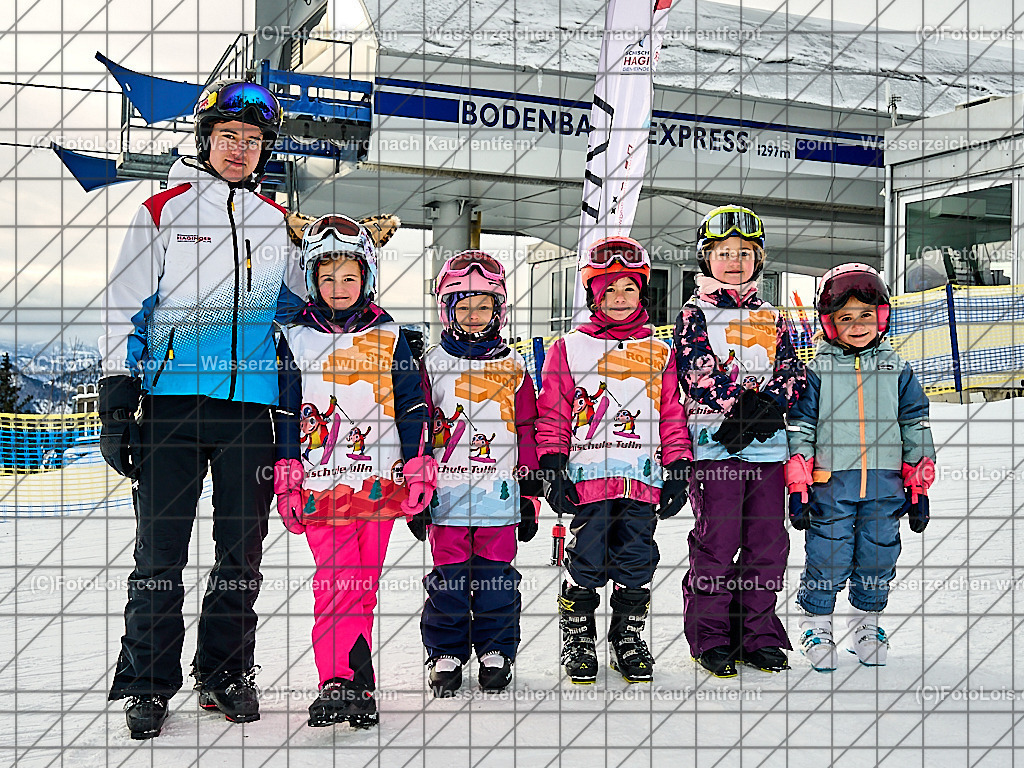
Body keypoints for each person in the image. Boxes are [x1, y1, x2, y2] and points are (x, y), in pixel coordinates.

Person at [98, 79, 305, 739]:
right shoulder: (163, 210)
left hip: (251, 413)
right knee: (160, 554)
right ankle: (148, 685)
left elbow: (310, 308)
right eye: (228, 138)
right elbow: (121, 306)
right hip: (170, 410)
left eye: (252, 140)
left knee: (240, 555)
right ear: (205, 141)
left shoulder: (278, 224)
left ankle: (225, 674)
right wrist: (115, 395)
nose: (240, 149)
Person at [273, 214, 436, 728]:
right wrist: (286, 470)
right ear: (311, 280)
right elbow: (284, 408)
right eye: (326, 279)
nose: (338, 289)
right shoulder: (294, 338)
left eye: (349, 277)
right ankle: (334, 681)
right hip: (322, 484)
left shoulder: (393, 337)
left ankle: (359, 684)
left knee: (362, 583)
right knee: (335, 580)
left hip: (379, 482)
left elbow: (413, 406)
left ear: (367, 276)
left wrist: (417, 464)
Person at [535, 236, 692, 685]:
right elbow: (554, 410)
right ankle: (579, 635)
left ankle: (627, 635)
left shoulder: (660, 352)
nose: (619, 298)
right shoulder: (569, 348)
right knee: (586, 557)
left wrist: (678, 464)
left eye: (628, 288)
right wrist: (552, 463)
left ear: (642, 292)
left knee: (637, 558)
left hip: (640, 479)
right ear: (593, 295)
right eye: (609, 290)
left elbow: (670, 414)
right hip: (587, 478)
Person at [673, 205, 806, 678]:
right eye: (724, 253)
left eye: (745, 253)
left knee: (767, 543)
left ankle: (758, 633)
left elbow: (793, 371)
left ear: (758, 260)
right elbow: (695, 368)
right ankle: (711, 635)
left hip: (768, 451)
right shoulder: (695, 314)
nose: (734, 261)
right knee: (717, 541)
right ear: (706, 259)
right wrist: (739, 407)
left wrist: (768, 406)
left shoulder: (775, 318)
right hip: (715, 449)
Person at [787, 263, 935, 672]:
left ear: (882, 316)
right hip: (831, 481)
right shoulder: (816, 370)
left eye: (865, 315)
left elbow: (915, 422)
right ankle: (816, 624)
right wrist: (799, 482)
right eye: (846, 317)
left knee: (878, 555)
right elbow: (800, 426)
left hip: (886, 483)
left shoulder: (897, 368)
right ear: (831, 323)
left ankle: (865, 624)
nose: (857, 324)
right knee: (829, 554)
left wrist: (918, 482)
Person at [411, 250, 541, 696]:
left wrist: (529, 492)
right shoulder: (431, 364)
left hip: (498, 496)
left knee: (495, 576)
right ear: (446, 310)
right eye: (462, 306)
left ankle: (496, 648)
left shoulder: (515, 365)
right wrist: (418, 491)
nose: (472, 315)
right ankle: (445, 650)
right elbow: (420, 426)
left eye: (483, 305)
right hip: (445, 496)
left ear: (498, 310)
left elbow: (527, 427)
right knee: (448, 576)